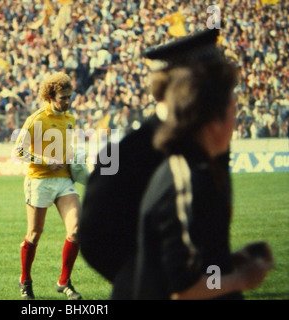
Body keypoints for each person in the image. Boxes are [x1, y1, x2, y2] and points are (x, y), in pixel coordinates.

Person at [129, 34, 274, 300]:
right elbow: (183, 289)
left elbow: (201, 268)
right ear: (211, 121)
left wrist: (232, 261)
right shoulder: (183, 179)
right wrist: (240, 279)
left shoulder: (200, 170)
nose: (236, 123)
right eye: (232, 112)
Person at [79, 30, 224, 290]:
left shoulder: (213, 145)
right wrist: (151, 282)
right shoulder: (124, 153)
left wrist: (222, 274)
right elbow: (93, 240)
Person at [12, 72, 82, 300]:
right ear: (50, 96)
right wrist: (46, 160)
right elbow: (18, 151)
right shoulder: (36, 119)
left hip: (64, 181)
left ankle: (64, 282)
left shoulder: (71, 119)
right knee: (34, 234)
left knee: (77, 229)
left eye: (69, 97)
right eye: (63, 97)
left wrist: (74, 159)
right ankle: (25, 280)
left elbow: (68, 149)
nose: (67, 102)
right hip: (39, 181)